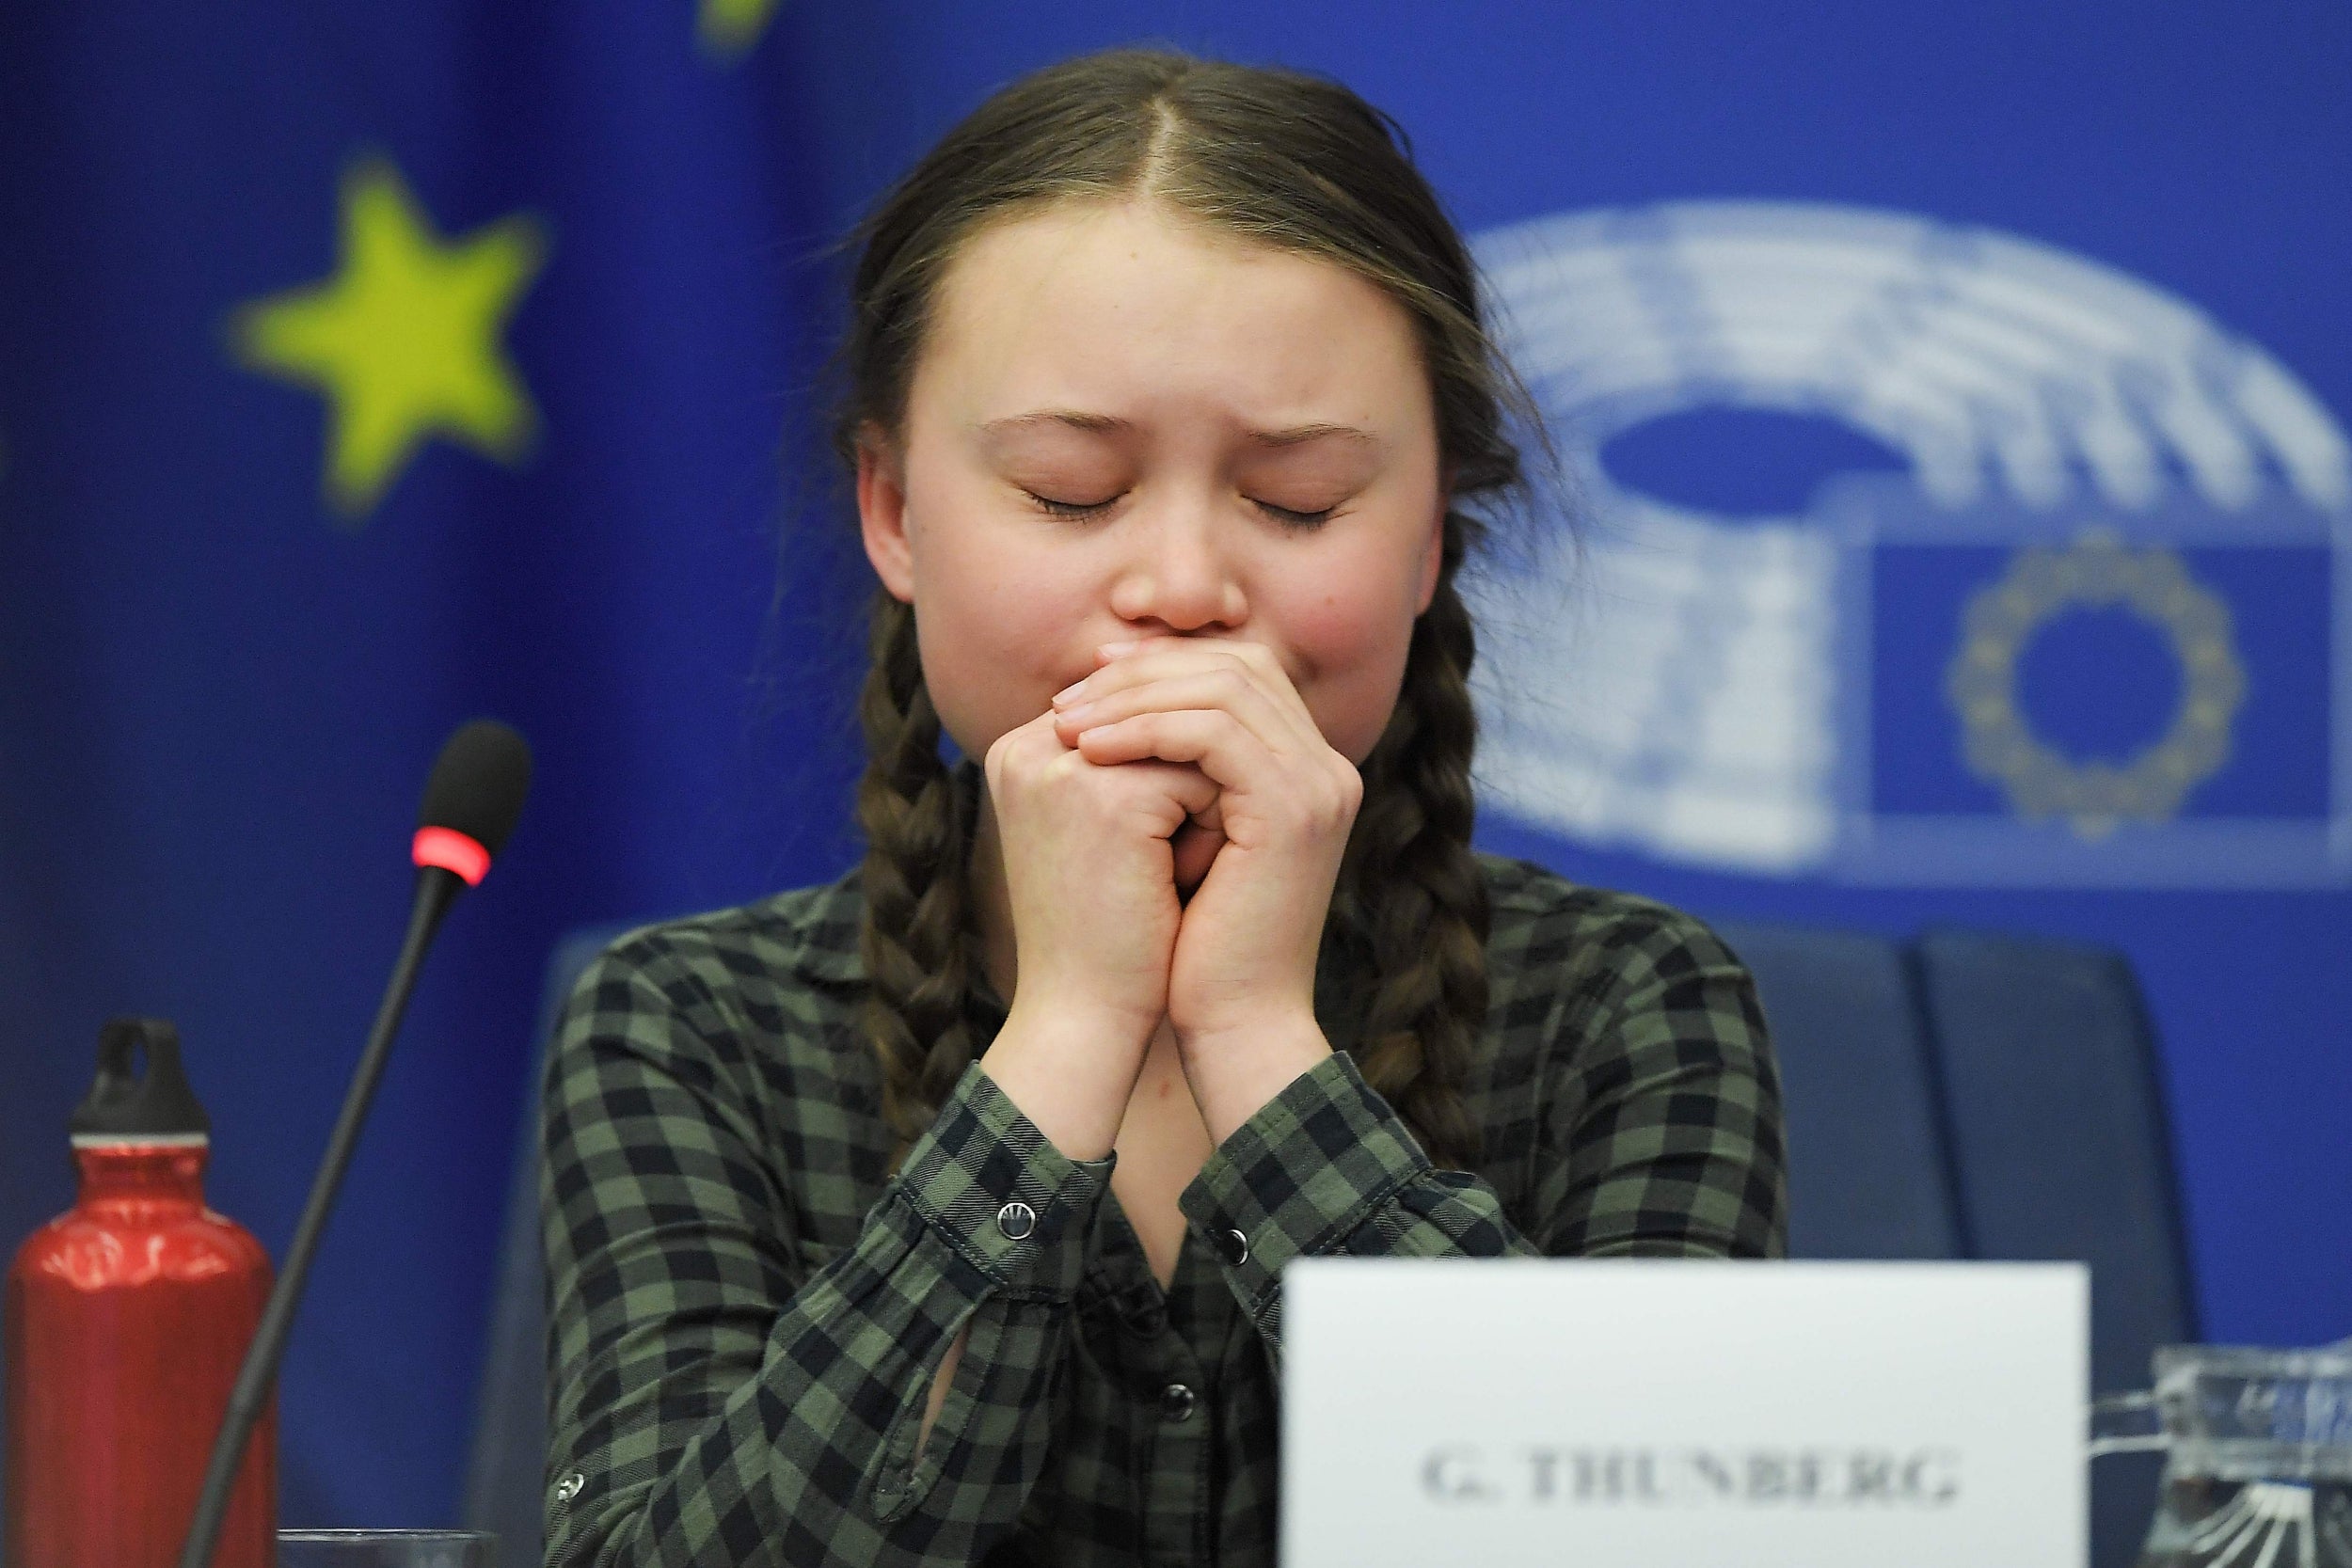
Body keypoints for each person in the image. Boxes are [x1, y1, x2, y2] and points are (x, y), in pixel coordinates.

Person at [539, 46, 1786, 1568]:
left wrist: (1262, 1040)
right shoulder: (687, 1028)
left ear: (1430, 542)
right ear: (894, 510)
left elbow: (1642, 1542)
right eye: (1071, 492)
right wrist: (1063, 1033)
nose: (1185, 589)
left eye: (1300, 501)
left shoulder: (1631, 1010)